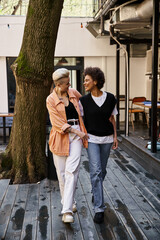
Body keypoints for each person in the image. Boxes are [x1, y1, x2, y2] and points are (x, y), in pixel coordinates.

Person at [46, 68, 88, 223]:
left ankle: (67, 211)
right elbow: (57, 124)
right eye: (66, 83)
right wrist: (78, 133)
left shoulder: (73, 93)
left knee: (72, 171)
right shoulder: (50, 100)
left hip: (77, 133)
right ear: (58, 84)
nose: (69, 84)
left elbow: (85, 106)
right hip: (60, 137)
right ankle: (70, 202)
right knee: (62, 173)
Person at [79, 67, 118, 224]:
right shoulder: (83, 101)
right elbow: (81, 121)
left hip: (107, 139)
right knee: (95, 171)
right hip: (92, 139)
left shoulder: (110, 98)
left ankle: (96, 191)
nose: (84, 83)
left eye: (87, 80)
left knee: (101, 170)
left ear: (95, 81)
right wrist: (83, 136)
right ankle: (99, 208)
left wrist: (115, 137)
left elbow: (112, 119)